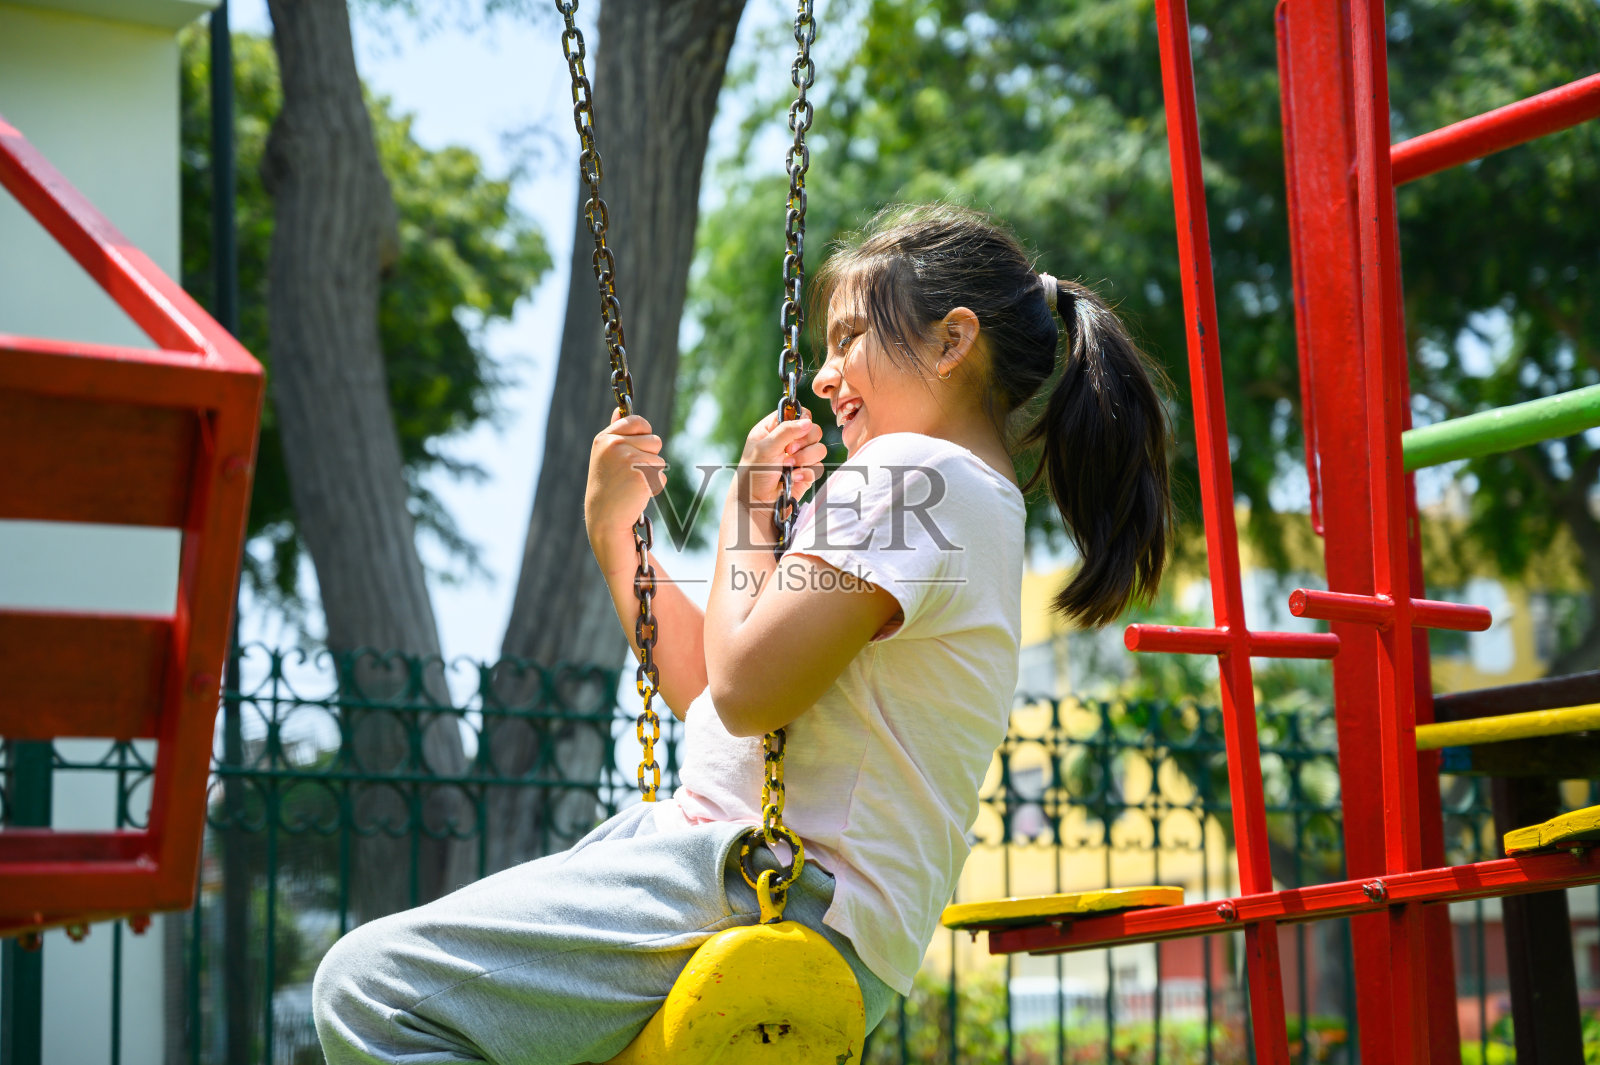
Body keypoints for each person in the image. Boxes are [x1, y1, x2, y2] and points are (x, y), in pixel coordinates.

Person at [311, 202, 1173, 1065]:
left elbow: (744, 683)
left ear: (953, 343)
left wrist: (745, 512)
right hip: (768, 882)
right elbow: (722, 700)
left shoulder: (918, 475)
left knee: (370, 989)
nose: (826, 374)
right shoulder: (962, 497)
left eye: (847, 339)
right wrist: (625, 542)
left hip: (771, 885)